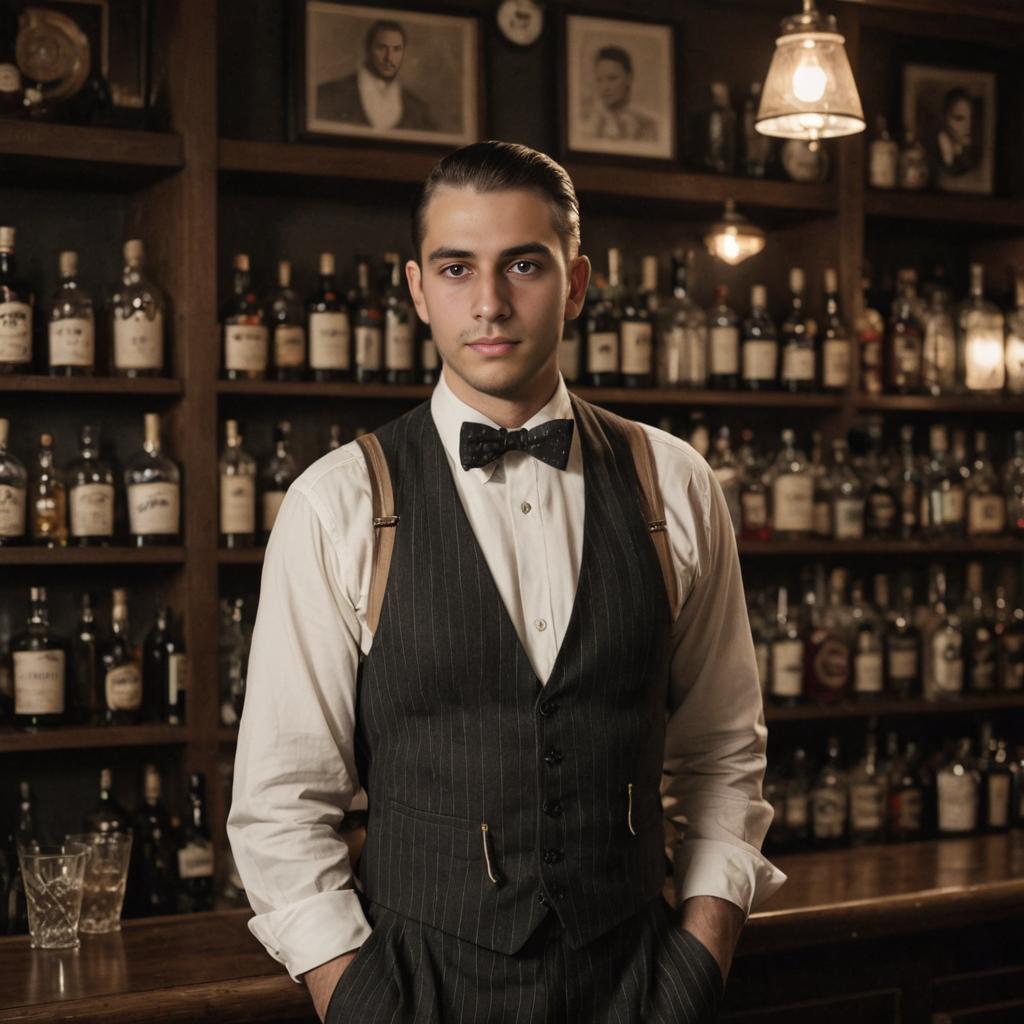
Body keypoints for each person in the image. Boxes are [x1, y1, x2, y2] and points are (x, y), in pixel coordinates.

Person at [228, 140, 785, 1023]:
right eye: (457, 268)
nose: (488, 303)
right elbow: (281, 803)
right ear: (416, 288)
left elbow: (723, 754)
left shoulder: (673, 482)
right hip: (419, 988)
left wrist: (697, 962)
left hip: (641, 982)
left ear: (577, 282)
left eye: (524, 264)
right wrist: (360, 1000)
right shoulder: (336, 501)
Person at [315, 18, 434, 132]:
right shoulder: (328, 95)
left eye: (397, 49)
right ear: (367, 49)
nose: (389, 58)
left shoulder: (417, 108)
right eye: (381, 48)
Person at [580, 45, 659, 143]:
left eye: (612, 78)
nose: (605, 88)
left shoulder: (646, 125)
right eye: (599, 80)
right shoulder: (587, 124)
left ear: (629, 78)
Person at [932, 87, 977, 178]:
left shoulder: (970, 156)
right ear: (945, 120)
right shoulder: (935, 155)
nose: (968, 127)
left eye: (971, 119)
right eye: (959, 118)